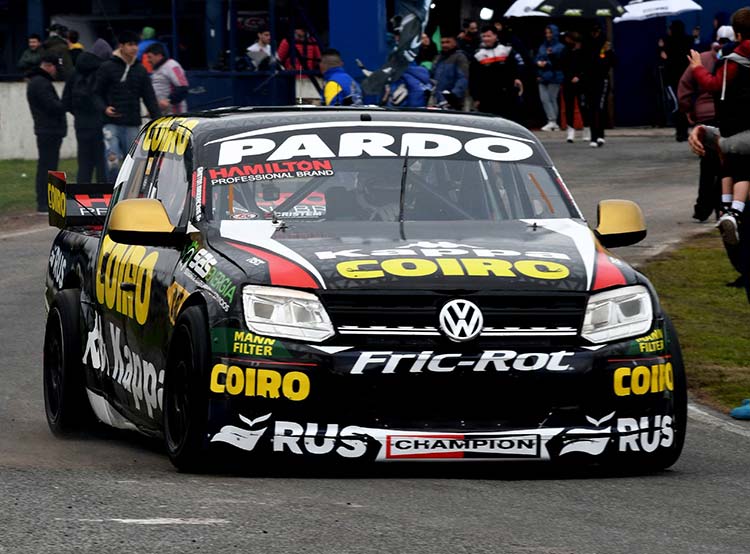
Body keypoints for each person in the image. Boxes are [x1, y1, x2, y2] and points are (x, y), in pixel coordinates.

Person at [689, 8, 750, 245]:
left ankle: (728, 211)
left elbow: (713, 85)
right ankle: (734, 212)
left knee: (731, 168)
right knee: (744, 170)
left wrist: (697, 68)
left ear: (736, 34)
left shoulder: (731, 61)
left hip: (732, 127)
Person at [678, 27, 733, 221]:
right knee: (725, 164)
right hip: (727, 115)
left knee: (707, 164)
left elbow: (684, 85)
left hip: (704, 115)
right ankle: (721, 206)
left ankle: (701, 209)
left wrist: (687, 109)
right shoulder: (735, 59)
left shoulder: (701, 58)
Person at [94, 31, 160, 182]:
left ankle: (128, 195)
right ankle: (112, 192)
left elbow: (149, 97)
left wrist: (158, 119)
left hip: (132, 123)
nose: (134, 48)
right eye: (130, 44)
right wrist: (104, 108)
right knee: (113, 161)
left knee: (133, 165)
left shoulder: (140, 70)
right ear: (121, 46)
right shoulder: (107, 67)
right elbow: (95, 94)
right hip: (110, 124)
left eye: (136, 44)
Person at [62, 38, 112, 184]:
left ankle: (82, 199)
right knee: (102, 163)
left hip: (81, 124)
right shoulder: (102, 71)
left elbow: (66, 101)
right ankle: (104, 199)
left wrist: (78, 113)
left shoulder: (74, 72)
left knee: (84, 163)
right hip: (100, 123)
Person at [27, 54, 67, 213]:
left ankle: (44, 201)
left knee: (46, 165)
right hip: (49, 130)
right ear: (49, 66)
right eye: (56, 67)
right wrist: (65, 104)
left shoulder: (37, 82)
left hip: (46, 130)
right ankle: (44, 202)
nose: (57, 71)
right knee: (48, 167)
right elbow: (52, 106)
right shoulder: (41, 83)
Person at [470, 25, 524, 120]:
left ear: (495, 36)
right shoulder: (478, 54)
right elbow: (473, 77)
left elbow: (516, 66)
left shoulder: (506, 50)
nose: (486, 39)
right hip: (487, 96)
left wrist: (517, 77)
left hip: (507, 93)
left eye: (489, 36)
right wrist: (476, 97)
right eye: (484, 36)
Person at [659, 20, 692, 142]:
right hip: (686, 77)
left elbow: (664, 57)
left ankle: (680, 132)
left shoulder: (667, 41)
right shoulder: (688, 40)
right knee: (684, 104)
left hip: (672, 78)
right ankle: (684, 131)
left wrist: (661, 47)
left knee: (676, 105)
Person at [586, 24, 616, 147]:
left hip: (602, 79)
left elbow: (613, 62)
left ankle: (600, 134)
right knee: (592, 108)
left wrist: (608, 52)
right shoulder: (588, 45)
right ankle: (593, 136)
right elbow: (586, 61)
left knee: (600, 107)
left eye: (596, 32)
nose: (594, 34)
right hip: (590, 80)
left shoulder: (605, 45)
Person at [144, 43, 189, 115]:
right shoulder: (156, 70)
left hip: (175, 115)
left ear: (159, 56)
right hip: (162, 115)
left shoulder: (172, 65)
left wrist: (168, 100)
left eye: (150, 57)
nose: (148, 60)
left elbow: (183, 88)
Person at [535, 24, 565, 131]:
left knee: (551, 98)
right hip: (542, 74)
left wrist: (547, 63)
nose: (548, 35)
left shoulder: (560, 47)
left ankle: (553, 121)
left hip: (554, 75)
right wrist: (538, 64)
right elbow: (537, 57)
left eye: (550, 33)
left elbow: (560, 62)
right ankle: (552, 121)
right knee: (544, 98)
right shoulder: (542, 46)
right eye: (546, 33)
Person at [560, 31, 588, 143]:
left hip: (580, 82)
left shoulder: (582, 51)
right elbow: (562, 65)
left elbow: (586, 65)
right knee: (569, 107)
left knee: (583, 106)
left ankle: (587, 129)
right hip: (568, 82)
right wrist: (570, 77)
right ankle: (570, 131)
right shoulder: (565, 51)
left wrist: (579, 76)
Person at [433, 34, 469, 110]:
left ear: (454, 43)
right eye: (442, 42)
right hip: (437, 100)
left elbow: (462, 79)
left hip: (452, 102)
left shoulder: (460, 57)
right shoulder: (438, 57)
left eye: (447, 42)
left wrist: (452, 97)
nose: (444, 45)